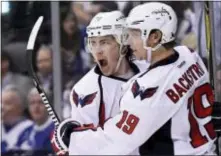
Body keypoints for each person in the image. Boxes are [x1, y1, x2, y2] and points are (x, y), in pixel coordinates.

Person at [52, 2, 217, 155]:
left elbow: (115, 140)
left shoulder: (145, 90)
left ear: (155, 37)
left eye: (136, 34)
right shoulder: (188, 56)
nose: (129, 41)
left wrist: (71, 139)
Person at [51, 10, 147, 155]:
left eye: (104, 42)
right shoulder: (85, 91)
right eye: (93, 43)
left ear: (123, 41)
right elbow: (87, 147)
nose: (97, 51)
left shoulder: (149, 71)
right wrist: (73, 144)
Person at [20, 88, 54, 152]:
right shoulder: (25, 132)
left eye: (40, 102)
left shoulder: (56, 130)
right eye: (32, 103)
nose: (36, 106)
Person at [1, 85, 33, 153]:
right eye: (1, 103)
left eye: (7, 103)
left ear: (20, 108)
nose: (2, 107)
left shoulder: (30, 128)